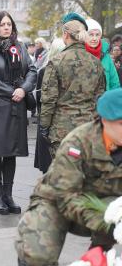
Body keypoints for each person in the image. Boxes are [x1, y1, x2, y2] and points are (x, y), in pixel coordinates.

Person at [16, 88, 122, 266]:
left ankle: (100, 256)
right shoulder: (78, 142)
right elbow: (64, 195)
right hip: (56, 201)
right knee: (37, 252)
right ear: (105, 120)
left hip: (107, 205)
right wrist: (106, 223)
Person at [0, 11, 37, 215]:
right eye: (2, 24)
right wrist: (11, 91)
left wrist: (23, 89)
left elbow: (32, 70)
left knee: (11, 153)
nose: (6, 27)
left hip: (16, 106)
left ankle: (9, 195)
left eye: (9, 24)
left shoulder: (19, 47)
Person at [40, 12, 105, 158]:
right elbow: (100, 97)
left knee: (65, 175)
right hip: (88, 127)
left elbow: (49, 99)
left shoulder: (56, 62)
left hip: (62, 129)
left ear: (66, 35)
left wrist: (44, 126)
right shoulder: (96, 63)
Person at [34, 38, 65, 173]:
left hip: (47, 117)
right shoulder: (46, 70)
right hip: (61, 117)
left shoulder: (44, 70)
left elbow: (39, 99)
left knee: (47, 162)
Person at [85, 18, 120, 91]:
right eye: (91, 34)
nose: (94, 38)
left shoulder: (106, 56)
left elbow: (114, 83)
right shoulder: (78, 54)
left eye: (97, 35)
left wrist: (110, 100)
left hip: (104, 100)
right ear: (84, 35)